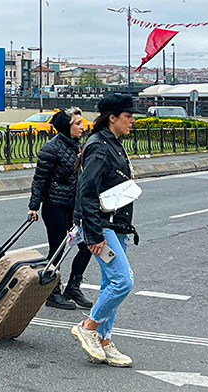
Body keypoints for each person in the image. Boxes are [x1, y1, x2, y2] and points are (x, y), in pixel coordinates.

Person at [70, 93, 138, 368]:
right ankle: (88, 327)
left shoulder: (113, 143)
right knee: (123, 281)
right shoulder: (99, 146)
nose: (132, 121)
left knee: (111, 283)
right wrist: (94, 235)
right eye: (128, 116)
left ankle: (105, 340)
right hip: (102, 225)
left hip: (116, 225)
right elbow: (85, 191)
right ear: (113, 118)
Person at [27, 108, 93, 310]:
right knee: (57, 249)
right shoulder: (51, 149)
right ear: (66, 126)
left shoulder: (77, 146)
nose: (83, 127)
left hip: (75, 207)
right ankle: (52, 292)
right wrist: (33, 207)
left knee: (88, 245)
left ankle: (73, 287)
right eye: (78, 123)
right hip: (55, 206)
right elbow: (40, 180)